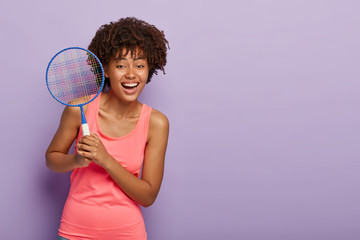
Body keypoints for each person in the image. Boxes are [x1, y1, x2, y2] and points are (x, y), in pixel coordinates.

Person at [46, 17, 170, 240]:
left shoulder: (156, 123)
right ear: (106, 68)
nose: (131, 74)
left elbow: (148, 196)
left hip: (128, 234)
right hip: (74, 232)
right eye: (121, 65)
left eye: (140, 65)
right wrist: (76, 160)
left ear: (148, 70)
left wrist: (106, 159)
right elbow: (51, 159)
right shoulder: (79, 109)